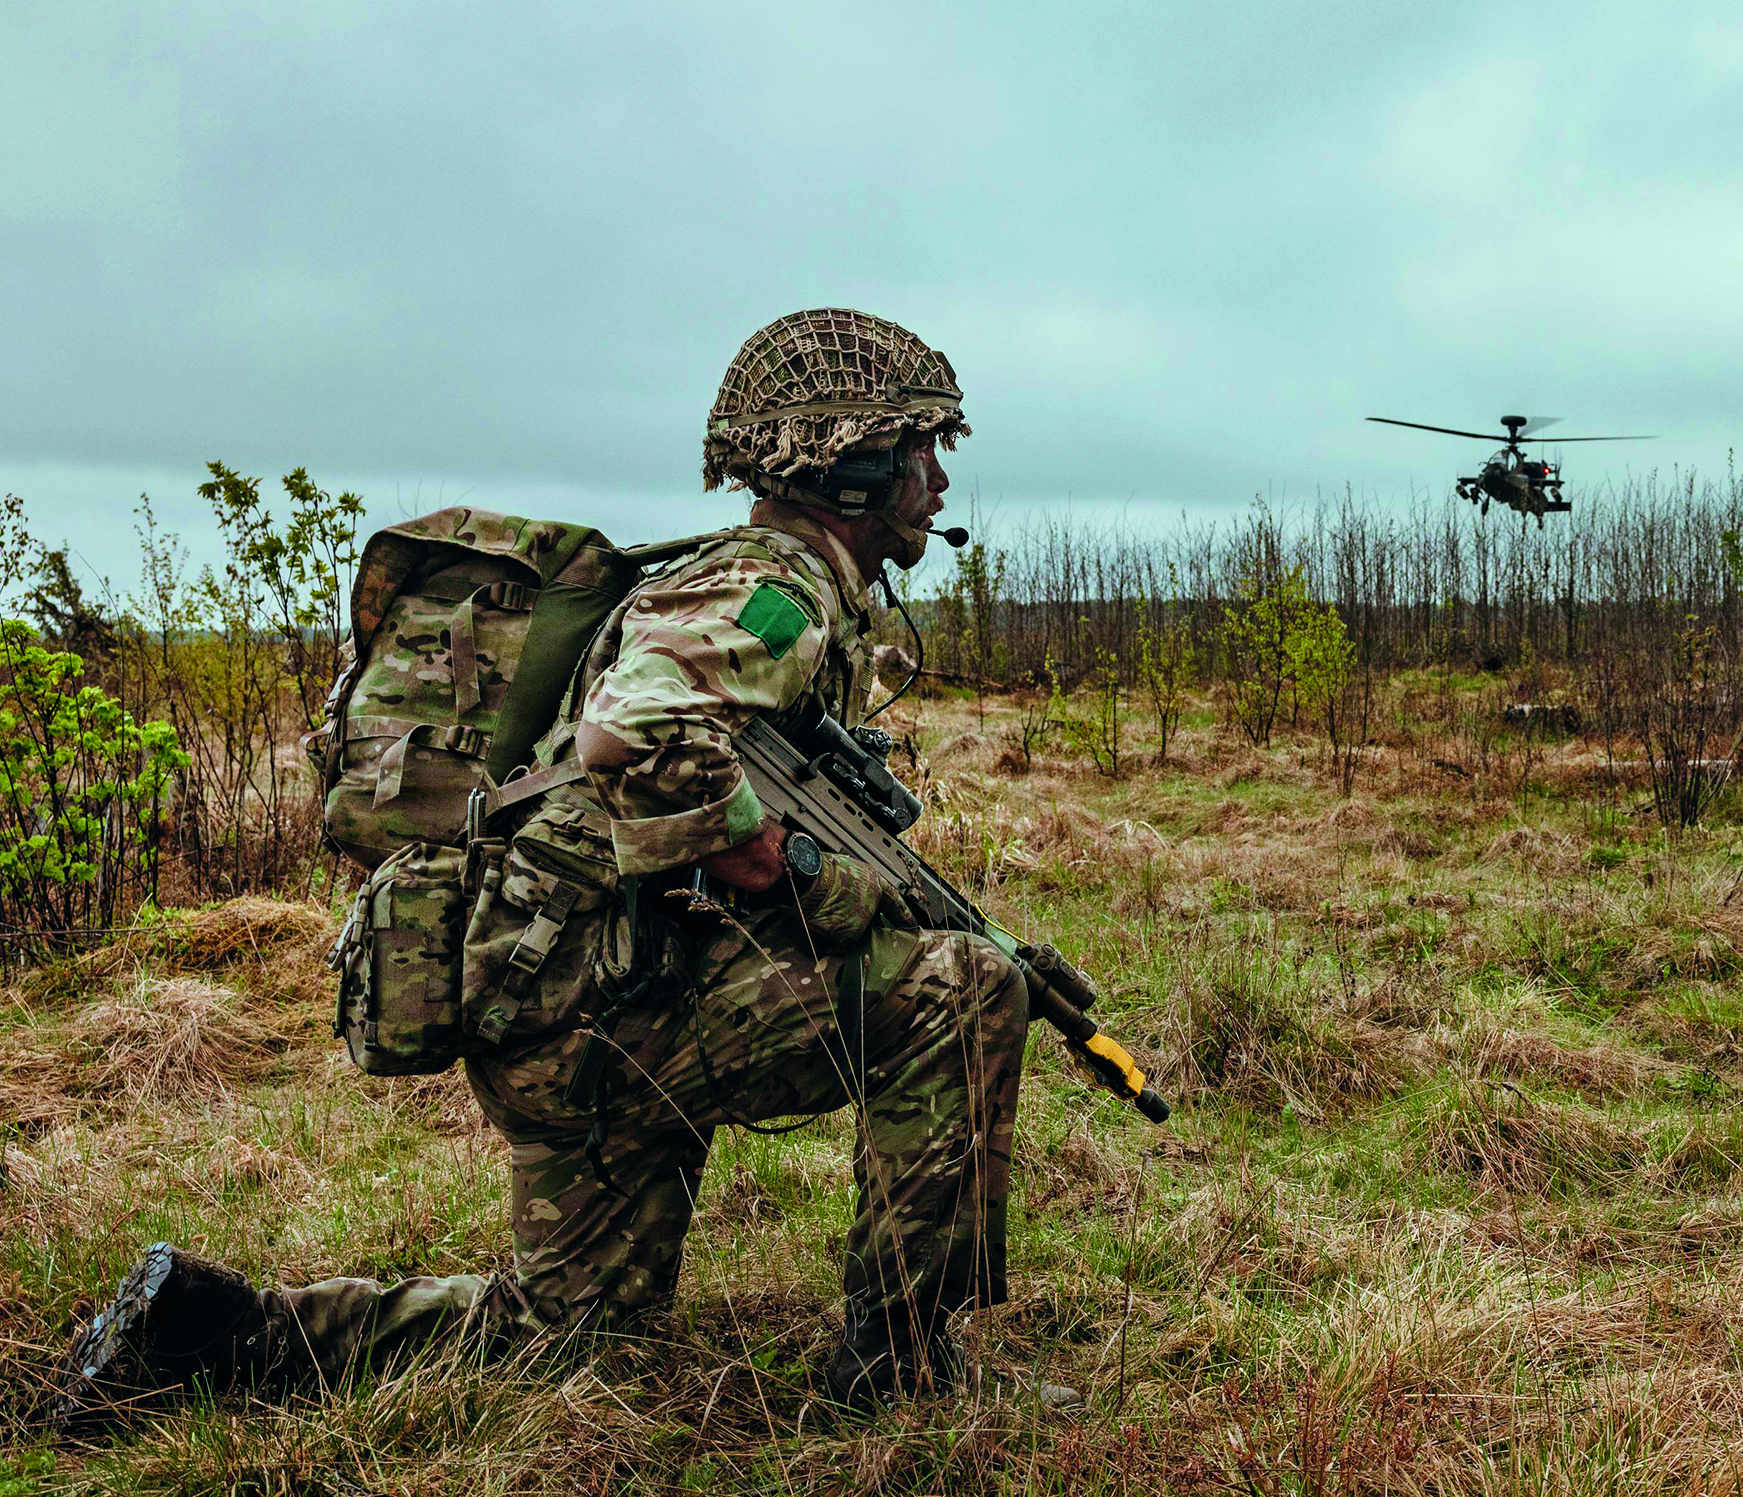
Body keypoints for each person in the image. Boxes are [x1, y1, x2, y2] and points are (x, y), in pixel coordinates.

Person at [56, 308, 1056, 1421]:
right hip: (609, 1016)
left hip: (557, 1010)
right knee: (963, 990)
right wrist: (769, 857)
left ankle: (214, 1334)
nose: (937, 480)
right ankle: (901, 1370)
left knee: (570, 1342)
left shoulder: (739, 580)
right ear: (855, 467)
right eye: (920, 449)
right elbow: (632, 733)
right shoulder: (773, 590)